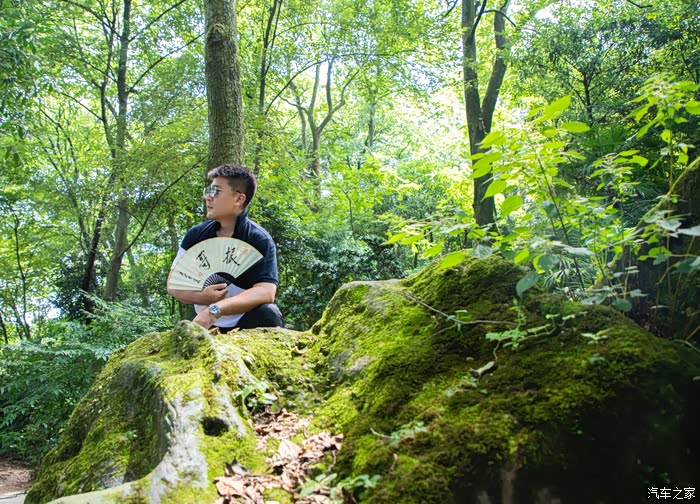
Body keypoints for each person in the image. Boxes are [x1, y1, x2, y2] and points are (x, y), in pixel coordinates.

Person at [167, 164, 284, 331]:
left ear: (239, 199)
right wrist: (201, 297)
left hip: (245, 321)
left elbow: (266, 291)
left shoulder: (259, 239)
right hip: (204, 323)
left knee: (270, 313)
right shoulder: (195, 236)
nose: (208, 197)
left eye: (216, 191)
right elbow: (173, 285)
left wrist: (215, 309)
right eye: (208, 191)